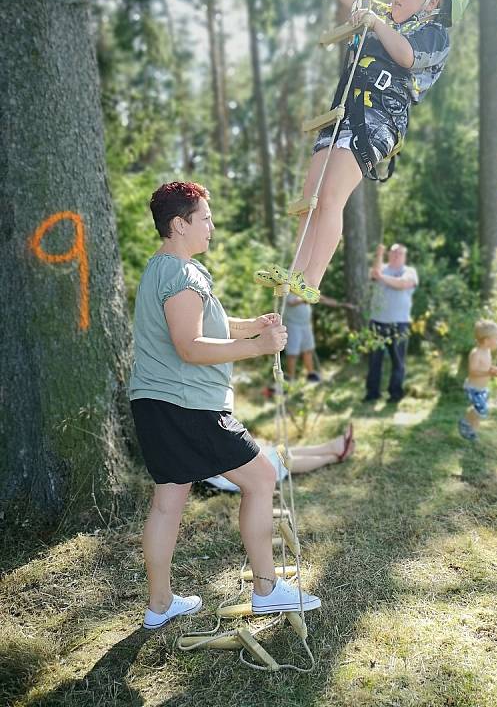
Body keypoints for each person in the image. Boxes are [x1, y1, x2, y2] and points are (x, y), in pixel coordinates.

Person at [129, 181, 321, 631]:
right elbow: (191, 346)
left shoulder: (162, 269)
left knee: (167, 504)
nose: (212, 227)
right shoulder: (184, 274)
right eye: (206, 219)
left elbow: (205, 326)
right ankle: (268, 591)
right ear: (179, 224)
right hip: (189, 406)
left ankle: (159, 605)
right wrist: (259, 347)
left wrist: (250, 326)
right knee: (262, 477)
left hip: (156, 404)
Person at [255, 0, 470, 304]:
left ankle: (312, 277)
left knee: (332, 196)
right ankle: (297, 269)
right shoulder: (382, 16)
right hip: (343, 112)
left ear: (434, 2)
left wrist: (376, 24)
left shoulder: (434, 35)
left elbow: (404, 55)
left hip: (378, 121)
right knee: (312, 198)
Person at [204, 424, 355, 492]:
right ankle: (333, 456)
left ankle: (331, 448)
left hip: (223, 464)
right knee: (279, 461)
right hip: (226, 473)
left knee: (278, 452)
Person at [365, 243, 418, 403]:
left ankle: (395, 394)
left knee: (398, 361)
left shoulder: (410, 271)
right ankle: (372, 393)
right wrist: (379, 254)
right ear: (389, 254)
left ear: (404, 256)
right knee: (374, 360)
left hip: (399, 324)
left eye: (399, 253)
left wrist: (382, 277)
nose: (396, 256)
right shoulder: (382, 268)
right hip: (377, 322)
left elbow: (402, 284)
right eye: (393, 253)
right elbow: (374, 275)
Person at [284, 292, 354, 381]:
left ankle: (311, 374)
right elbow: (291, 303)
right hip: (293, 324)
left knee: (308, 350)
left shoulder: (303, 288)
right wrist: (305, 298)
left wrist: (343, 304)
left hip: (305, 324)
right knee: (292, 353)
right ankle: (290, 378)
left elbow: (322, 299)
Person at [458, 319, 497, 441]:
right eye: (496, 338)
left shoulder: (487, 351)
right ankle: (464, 422)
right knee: (481, 410)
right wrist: (488, 372)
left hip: (483, 388)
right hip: (473, 388)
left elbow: (486, 368)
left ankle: (472, 433)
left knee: (479, 414)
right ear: (486, 341)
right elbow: (473, 372)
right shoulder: (476, 353)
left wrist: (496, 370)